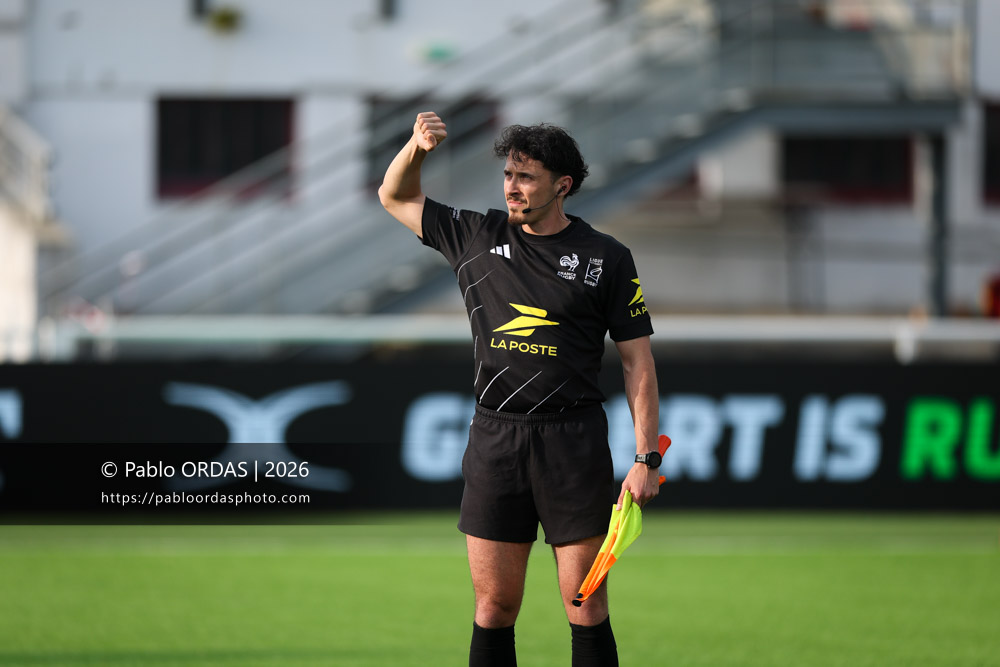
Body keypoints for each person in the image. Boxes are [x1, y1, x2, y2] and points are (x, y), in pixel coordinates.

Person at [379, 112, 661, 667]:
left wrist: (645, 456)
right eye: (509, 173)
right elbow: (393, 194)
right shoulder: (475, 235)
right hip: (495, 439)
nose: (512, 186)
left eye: (527, 177)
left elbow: (639, 365)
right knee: (494, 605)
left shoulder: (607, 258)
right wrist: (415, 148)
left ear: (563, 186)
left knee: (585, 601)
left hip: (572, 442)